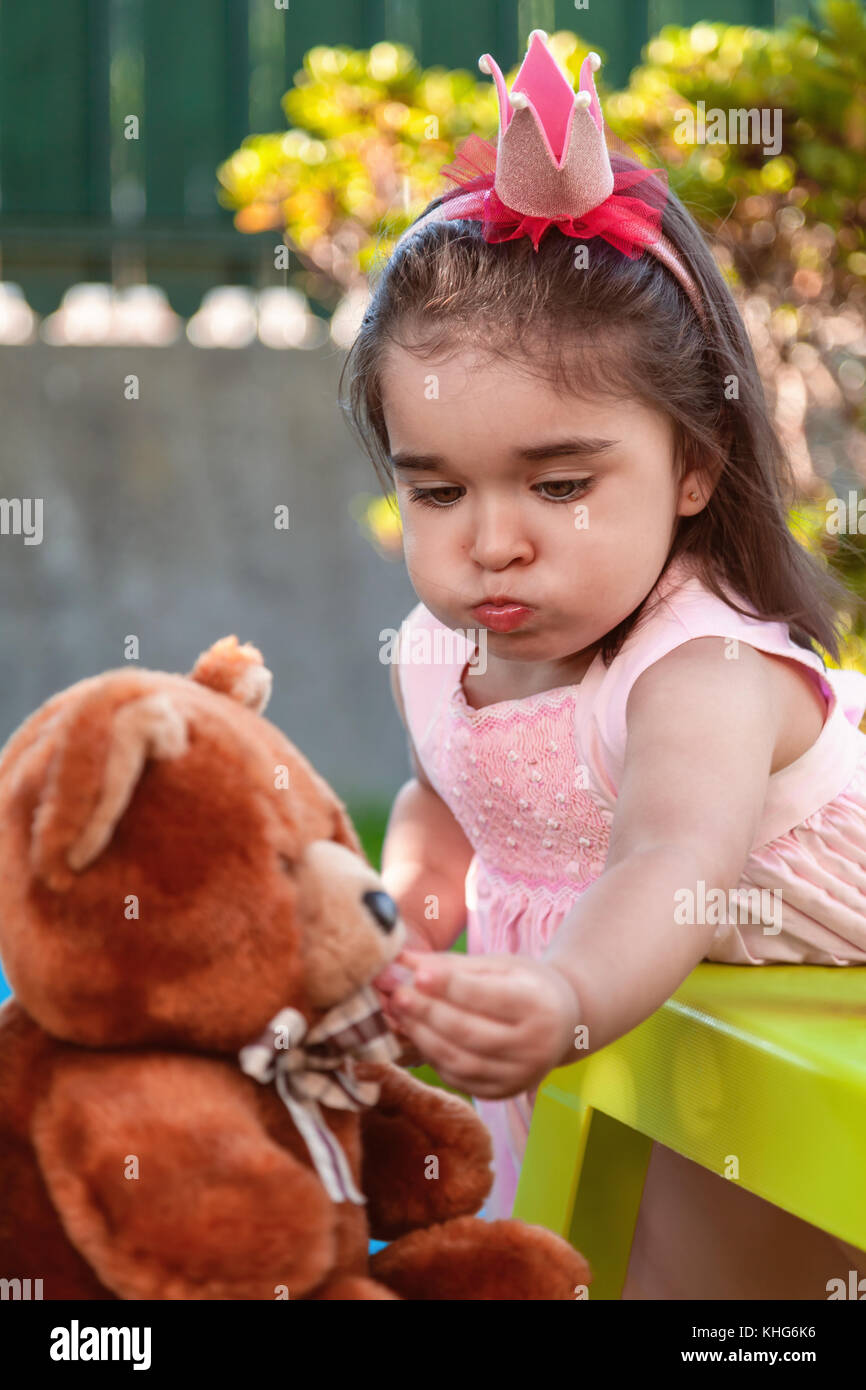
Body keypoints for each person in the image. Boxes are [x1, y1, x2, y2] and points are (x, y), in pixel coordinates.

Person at [340, 32, 866, 1297]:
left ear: (692, 467)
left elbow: (670, 865)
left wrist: (568, 987)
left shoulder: (702, 676)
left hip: (782, 1000)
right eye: (437, 490)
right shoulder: (441, 648)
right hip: (608, 996)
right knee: (551, 1246)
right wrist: (391, 956)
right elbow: (440, 804)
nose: (491, 541)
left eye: (559, 483)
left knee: (696, 1280)